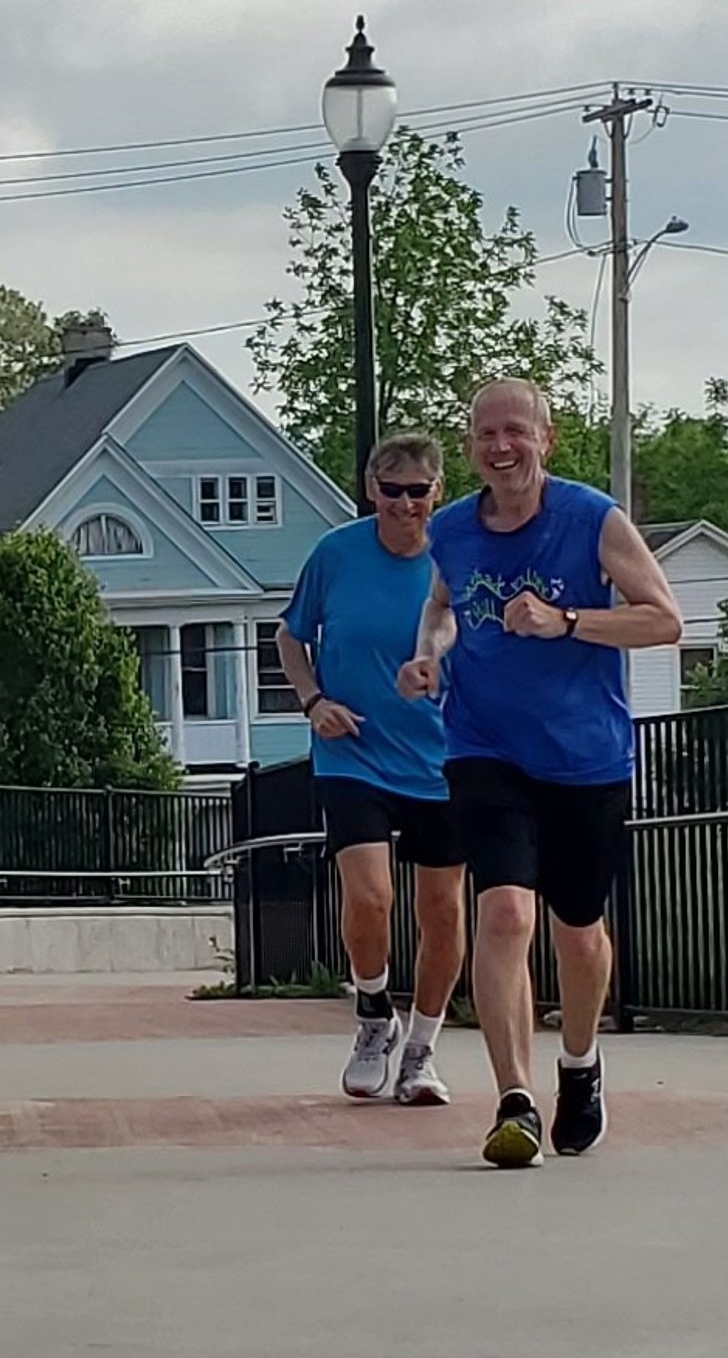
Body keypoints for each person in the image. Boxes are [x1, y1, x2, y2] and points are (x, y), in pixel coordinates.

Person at [398, 378, 682, 1168]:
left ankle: (580, 1064)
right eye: (486, 434)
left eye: (516, 431)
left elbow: (664, 619)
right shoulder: (454, 529)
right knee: (504, 915)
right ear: (470, 448)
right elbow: (443, 607)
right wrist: (428, 656)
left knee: (580, 934)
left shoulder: (592, 519)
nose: (502, 447)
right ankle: (515, 1101)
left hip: (585, 756)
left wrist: (568, 621)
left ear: (546, 440)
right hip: (483, 747)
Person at [278, 432, 467, 1106]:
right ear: (370, 489)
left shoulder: (458, 556)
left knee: (442, 909)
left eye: (418, 492)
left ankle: (421, 1050)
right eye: (392, 491)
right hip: (352, 751)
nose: (405, 505)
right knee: (371, 896)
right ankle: (372, 1013)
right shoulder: (337, 554)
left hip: (441, 757)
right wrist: (314, 702)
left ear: (437, 492)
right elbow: (290, 635)